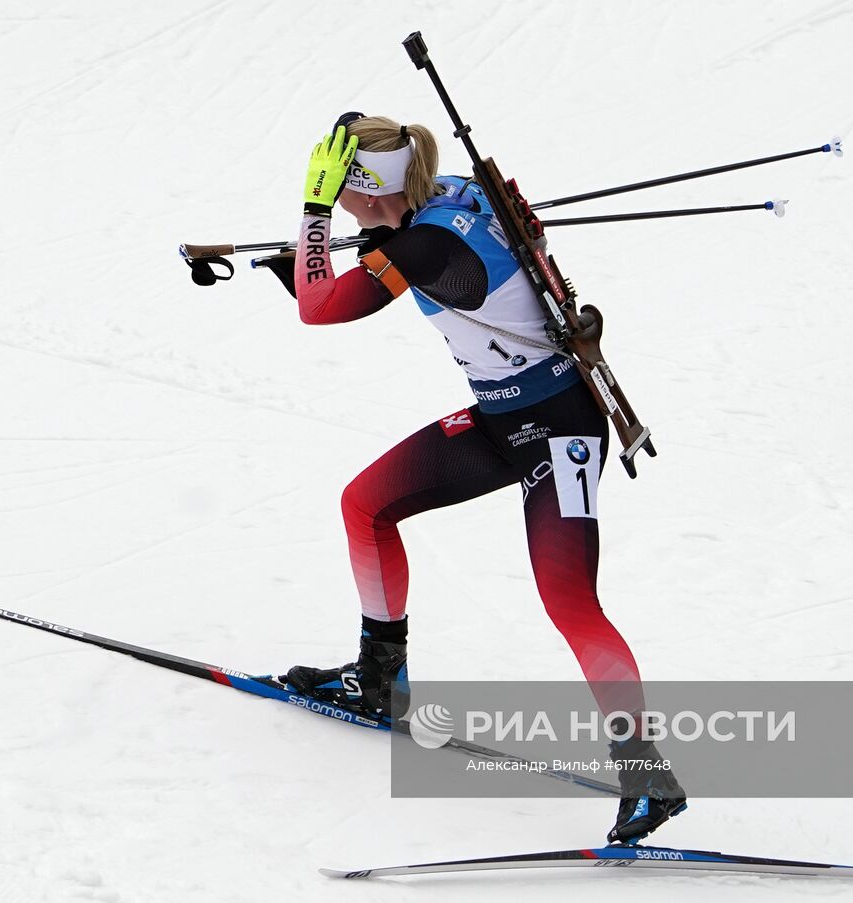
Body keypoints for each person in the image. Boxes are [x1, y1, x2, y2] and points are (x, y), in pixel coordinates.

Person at [274, 113, 685, 845]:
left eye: (338, 188)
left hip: (559, 429)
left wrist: (308, 218)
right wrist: (337, 255)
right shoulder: (449, 197)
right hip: (503, 417)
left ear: (364, 190)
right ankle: (379, 680)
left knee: (569, 600)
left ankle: (646, 772)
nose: (333, 200)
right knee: (365, 505)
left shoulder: (426, 244)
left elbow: (320, 307)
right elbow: (399, 259)